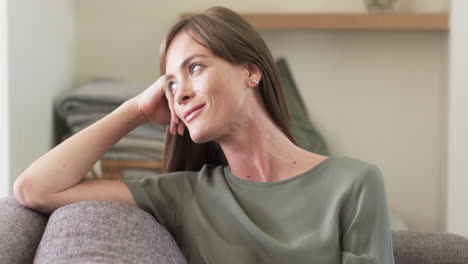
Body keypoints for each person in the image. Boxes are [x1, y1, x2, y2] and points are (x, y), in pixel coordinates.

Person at [13, 6, 395, 264]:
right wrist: (138, 110)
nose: (179, 92)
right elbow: (35, 189)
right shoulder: (184, 195)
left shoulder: (354, 183)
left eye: (195, 68)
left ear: (251, 72)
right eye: (170, 84)